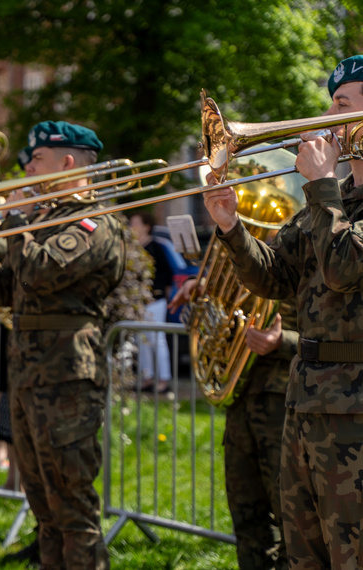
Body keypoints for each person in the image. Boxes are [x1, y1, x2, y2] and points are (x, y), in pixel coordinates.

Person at [201, 54, 363, 568]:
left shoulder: (326, 195)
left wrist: (321, 184)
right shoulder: (330, 200)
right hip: (306, 400)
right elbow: (274, 278)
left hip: (355, 409)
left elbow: (343, 267)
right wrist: (231, 228)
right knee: (303, 554)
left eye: (340, 106)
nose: (325, 121)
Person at [0, 120, 126, 569]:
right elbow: (6, 288)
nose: (26, 166)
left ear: (67, 163)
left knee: (72, 505)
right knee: (43, 505)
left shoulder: (92, 222)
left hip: (67, 378)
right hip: (29, 375)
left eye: (37, 158)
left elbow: (40, 270)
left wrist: (13, 218)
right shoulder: (43, 219)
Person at [171, 276, 295, 569]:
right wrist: (204, 288)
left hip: (286, 406)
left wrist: (283, 342)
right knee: (246, 518)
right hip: (241, 400)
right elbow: (234, 310)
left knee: (295, 524)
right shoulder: (247, 257)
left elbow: (341, 337)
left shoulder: (310, 250)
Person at [129, 211, 175, 393]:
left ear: (146, 226)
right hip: (138, 302)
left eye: (136, 223)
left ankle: (164, 379)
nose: (132, 227)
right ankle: (147, 377)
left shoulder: (156, 247)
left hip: (155, 301)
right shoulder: (132, 247)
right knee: (142, 342)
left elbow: (168, 274)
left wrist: (164, 295)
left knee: (157, 340)